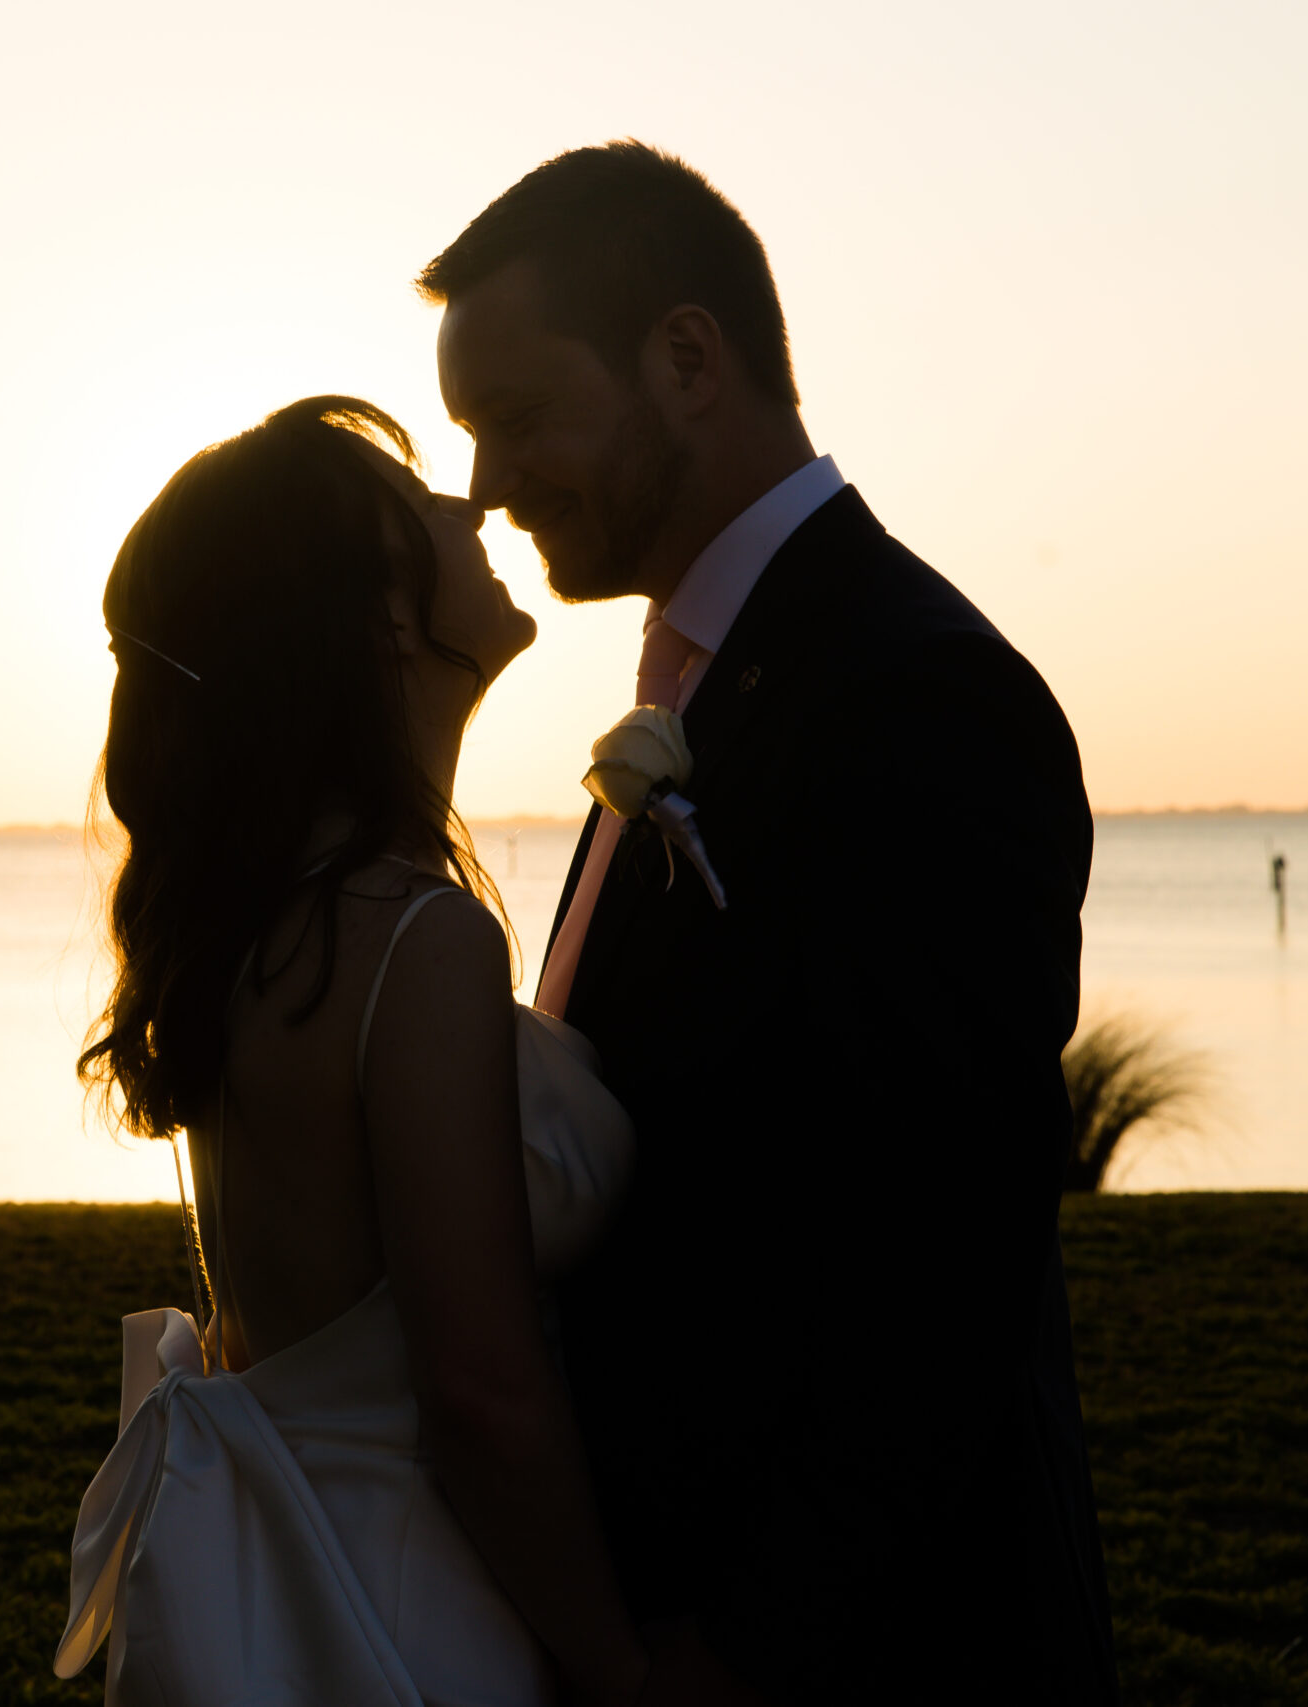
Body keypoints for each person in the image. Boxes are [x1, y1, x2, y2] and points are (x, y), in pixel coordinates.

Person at [422, 141, 1119, 1704]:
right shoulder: (699, 681)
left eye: (519, 417)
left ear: (686, 359)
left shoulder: (917, 695)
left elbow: (948, 1249)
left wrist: (746, 1648)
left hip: (878, 1652)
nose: (485, 486)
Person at [59, 397, 644, 1705]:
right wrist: (623, 1668)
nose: (470, 507)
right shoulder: (407, 938)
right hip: (414, 1624)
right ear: (376, 618)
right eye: (418, 505)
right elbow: (484, 1393)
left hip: (296, 1599)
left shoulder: (270, 922)